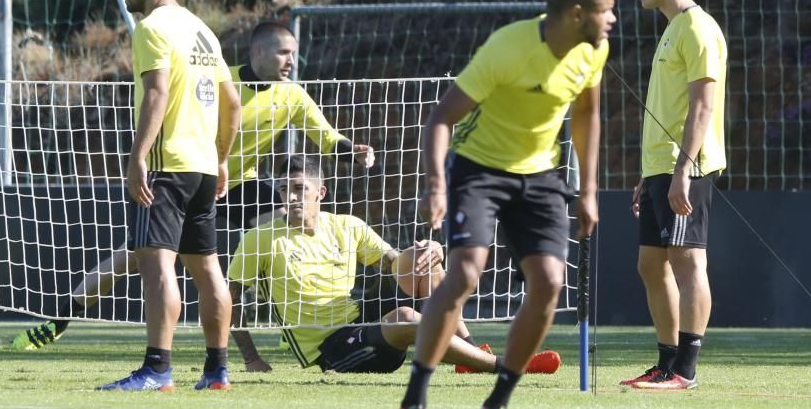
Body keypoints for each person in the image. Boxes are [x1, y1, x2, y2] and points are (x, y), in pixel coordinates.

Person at [13, 21, 375, 365]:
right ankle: (58, 320)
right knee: (133, 257)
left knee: (287, 231)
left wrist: (353, 151)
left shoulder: (292, 95)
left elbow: (326, 136)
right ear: (258, 53)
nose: (292, 61)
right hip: (195, 180)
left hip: (241, 185)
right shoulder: (221, 82)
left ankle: (290, 321)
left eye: (294, 54)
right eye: (284, 53)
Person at [391, 0, 616, 409]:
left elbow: (587, 115)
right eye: (606, 10)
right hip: (478, 169)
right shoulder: (507, 47)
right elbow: (440, 120)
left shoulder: (593, 49)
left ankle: (498, 405)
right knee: (466, 272)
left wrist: (590, 191)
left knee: (551, 283)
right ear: (577, 12)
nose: (613, 19)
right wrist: (436, 184)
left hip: (539, 177)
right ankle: (414, 401)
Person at [226, 154, 561, 377]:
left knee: (420, 256)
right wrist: (251, 358)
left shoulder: (346, 224)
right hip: (333, 348)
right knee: (407, 319)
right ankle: (506, 366)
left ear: (321, 192)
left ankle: (469, 353)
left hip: (360, 315)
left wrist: (433, 250)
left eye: (301, 189)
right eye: (285, 190)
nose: (292, 197)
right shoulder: (260, 238)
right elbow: (233, 296)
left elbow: (396, 262)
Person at [96, 0, 241, 391]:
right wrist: (220, 157)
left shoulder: (152, 28)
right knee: (208, 269)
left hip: (164, 164)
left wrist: (138, 156)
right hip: (200, 166)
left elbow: (156, 94)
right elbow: (232, 103)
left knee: (157, 267)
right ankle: (217, 370)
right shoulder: (202, 31)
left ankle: (157, 369)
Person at [620, 0, 727, 391]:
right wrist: (650, 175)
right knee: (650, 265)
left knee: (688, 262)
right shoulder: (671, 28)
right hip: (662, 167)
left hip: (690, 166)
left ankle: (686, 369)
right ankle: (665, 363)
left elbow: (703, 108)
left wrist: (682, 171)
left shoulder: (698, 28)